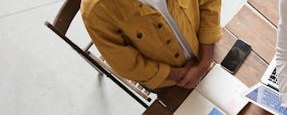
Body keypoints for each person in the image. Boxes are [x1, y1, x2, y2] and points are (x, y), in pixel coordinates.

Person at [81, 0, 223, 89]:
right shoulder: (96, 10)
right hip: (170, 83)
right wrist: (180, 75)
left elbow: (210, 4)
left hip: (208, 49)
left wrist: (204, 62)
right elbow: (127, 65)